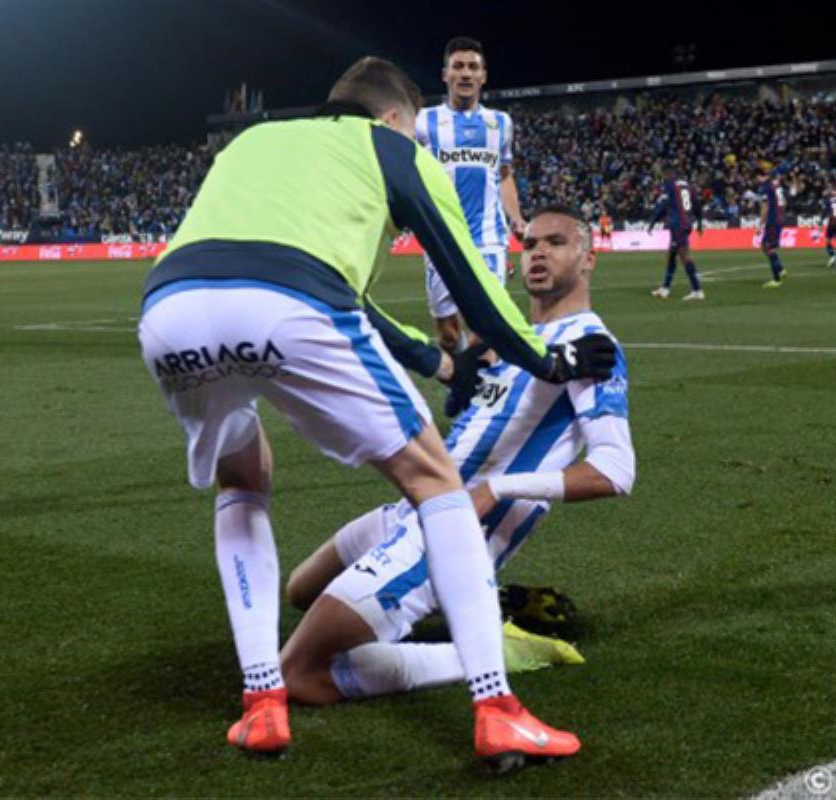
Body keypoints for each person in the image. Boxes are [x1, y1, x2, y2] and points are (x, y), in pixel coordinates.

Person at [137, 57, 615, 761]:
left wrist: (440, 363)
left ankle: (262, 700)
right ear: (397, 118)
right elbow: (473, 285)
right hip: (292, 300)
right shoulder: (393, 149)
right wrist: (547, 360)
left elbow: (343, 300)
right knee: (435, 485)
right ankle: (496, 706)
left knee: (242, 479)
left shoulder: (252, 142)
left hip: (168, 310)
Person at [278, 206, 635, 770]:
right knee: (298, 590)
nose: (538, 252)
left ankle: (488, 651)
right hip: (409, 510)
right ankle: (477, 616)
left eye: (557, 243)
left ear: (588, 259)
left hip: (452, 534)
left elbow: (614, 470)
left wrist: (498, 489)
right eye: (530, 243)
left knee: (298, 675)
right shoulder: (511, 341)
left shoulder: (592, 347)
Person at [416, 37, 526, 353]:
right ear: (445, 74)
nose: (466, 74)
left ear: (483, 76)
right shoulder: (424, 121)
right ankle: (464, 377)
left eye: (473, 67)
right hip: (441, 238)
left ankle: (481, 396)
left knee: (487, 328)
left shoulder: (501, 123)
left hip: (489, 238)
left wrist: (517, 218)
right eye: (459, 66)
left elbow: (504, 175)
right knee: (448, 335)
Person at [649, 175, 705, 301]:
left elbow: (665, 205)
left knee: (684, 256)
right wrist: (700, 224)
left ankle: (697, 290)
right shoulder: (688, 186)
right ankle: (665, 288)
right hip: (686, 223)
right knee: (671, 254)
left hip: (678, 225)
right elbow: (697, 205)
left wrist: (653, 221)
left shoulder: (671, 186)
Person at [758, 169, 787, 288]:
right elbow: (784, 203)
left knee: (768, 248)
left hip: (772, 220)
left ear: (760, 176)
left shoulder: (766, 187)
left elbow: (765, 206)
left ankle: (777, 279)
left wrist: (761, 223)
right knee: (766, 246)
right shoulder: (778, 186)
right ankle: (780, 269)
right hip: (780, 219)